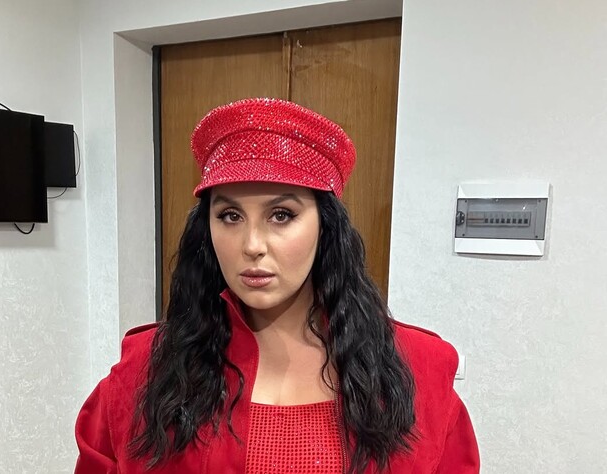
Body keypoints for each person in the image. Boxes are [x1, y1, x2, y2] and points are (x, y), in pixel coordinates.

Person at [75, 98, 479, 473]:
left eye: (281, 215)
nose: (252, 245)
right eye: (230, 215)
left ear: (325, 226)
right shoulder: (143, 374)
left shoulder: (418, 374)